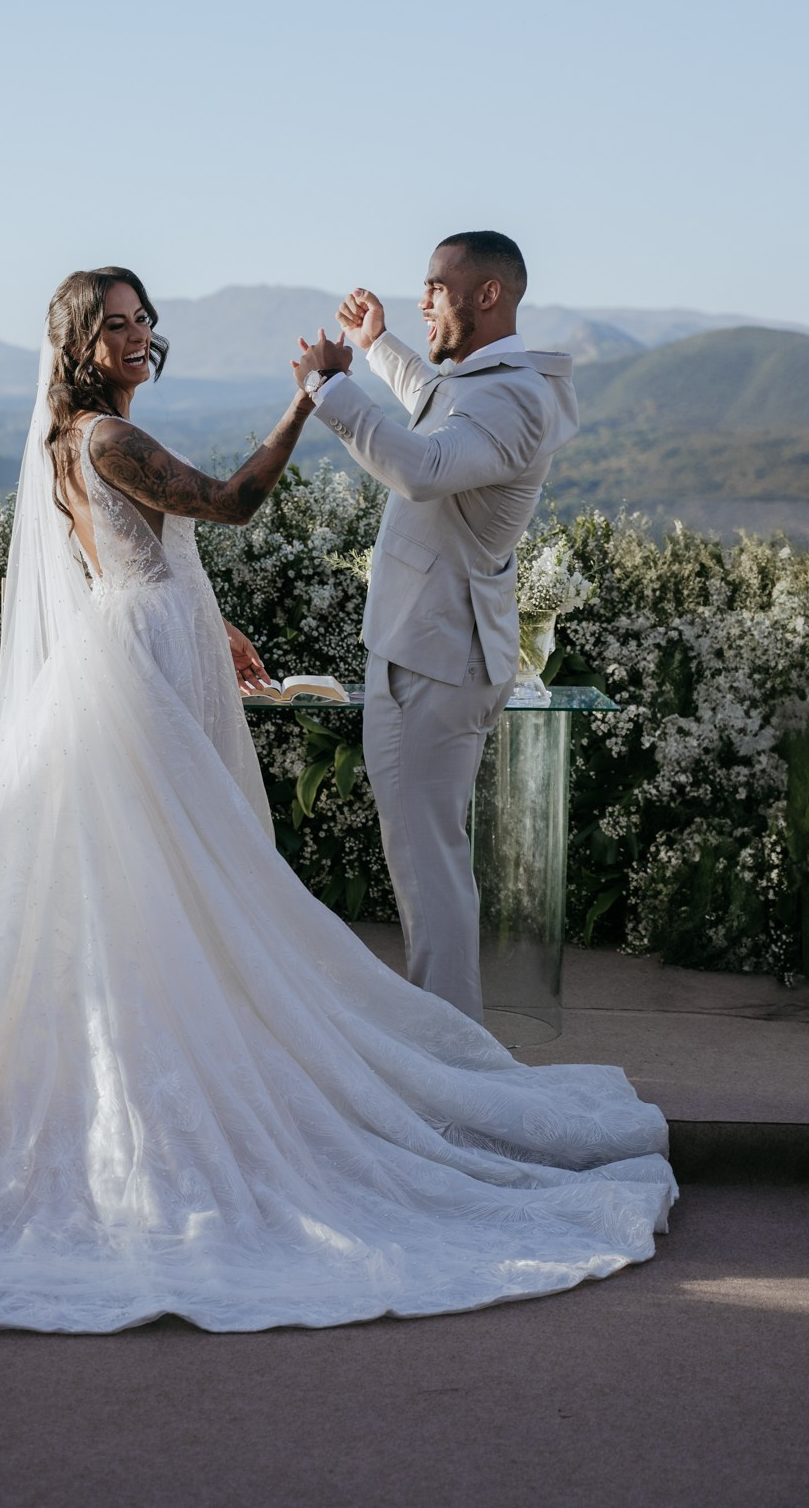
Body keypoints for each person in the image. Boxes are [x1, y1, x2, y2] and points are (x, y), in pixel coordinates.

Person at [0, 264, 672, 1334]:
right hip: (136, 671)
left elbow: (116, 555)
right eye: (113, 325)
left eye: (141, 321)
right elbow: (231, 503)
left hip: (154, 640)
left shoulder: (74, 436)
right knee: (170, 864)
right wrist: (309, 395)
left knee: (162, 866)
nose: (134, 337)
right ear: (78, 342)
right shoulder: (108, 439)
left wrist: (200, 616)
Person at [293, 232, 578, 1024]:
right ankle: (446, 1051)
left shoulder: (514, 396)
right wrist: (377, 345)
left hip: (437, 660)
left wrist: (328, 387)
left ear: (487, 295)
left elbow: (420, 468)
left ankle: (451, 1063)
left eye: (435, 286)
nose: (423, 300)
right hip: (432, 651)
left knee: (430, 869)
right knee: (425, 861)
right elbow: (435, 402)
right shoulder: (487, 384)